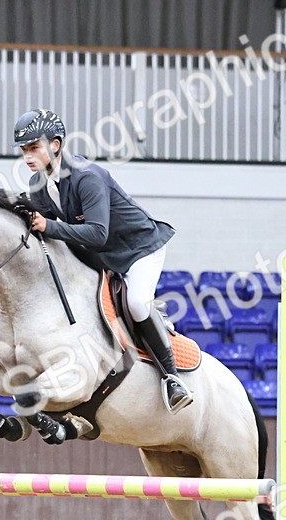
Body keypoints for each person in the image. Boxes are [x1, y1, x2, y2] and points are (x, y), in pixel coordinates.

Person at [11, 108, 192, 414]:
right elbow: (48, 226)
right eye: (24, 150)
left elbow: (96, 233)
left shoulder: (87, 176)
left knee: (137, 303)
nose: (28, 155)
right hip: (101, 255)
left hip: (137, 249)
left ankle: (171, 378)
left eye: (34, 147)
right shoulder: (37, 183)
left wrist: (47, 225)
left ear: (55, 144)